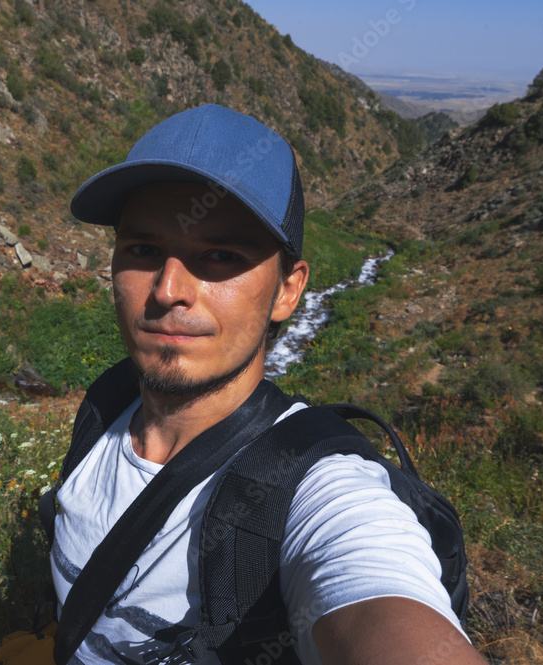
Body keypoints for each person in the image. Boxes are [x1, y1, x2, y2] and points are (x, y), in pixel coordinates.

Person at [51, 104, 486, 665]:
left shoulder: (318, 489)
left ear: (288, 290)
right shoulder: (104, 407)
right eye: (143, 250)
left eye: (220, 257)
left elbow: (381, 598)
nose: (168, 290)